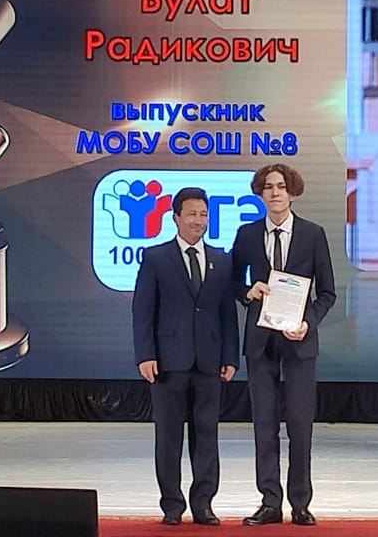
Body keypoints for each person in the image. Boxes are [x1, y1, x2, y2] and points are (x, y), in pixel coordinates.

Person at [231, 164, 336, 527]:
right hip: (260, 341)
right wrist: (249, 291)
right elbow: (231, 283)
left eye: (281, 186)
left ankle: (300, 503)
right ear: (260, 194)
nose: (274, 192)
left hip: (299, 341)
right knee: (264, 424)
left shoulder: (313, 234)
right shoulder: (246, 234)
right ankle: (269, 502)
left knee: (300, 425)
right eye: (268, 187)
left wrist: (308, 323)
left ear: (293, 193)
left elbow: (327, 293)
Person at [132, 187, 239, 526]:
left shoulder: (221, 260)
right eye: (192, 214)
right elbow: (143, 311)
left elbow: (227, 313)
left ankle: (203, 504)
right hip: (167, 362)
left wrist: (231, 357)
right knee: (168, 437)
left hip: (209, 362)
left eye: (204, 214)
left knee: (207, 435)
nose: (198, 220)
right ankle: (172, 505)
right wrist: (145, 354)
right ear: (175, 217)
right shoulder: (155, 257)